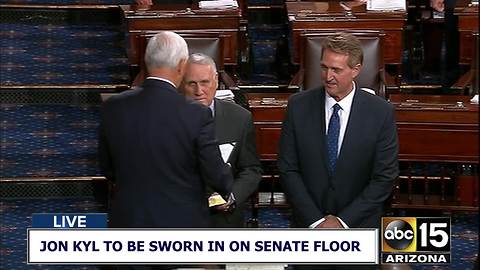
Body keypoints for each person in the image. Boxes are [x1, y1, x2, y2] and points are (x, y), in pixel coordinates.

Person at [98, 31, 233, 229]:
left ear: (146, 61)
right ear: (181, 65)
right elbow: (217, 176)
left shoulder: (114, 106)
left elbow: (107, 168)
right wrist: (226, 178)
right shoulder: (196, 114)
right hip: (182, 229)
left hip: (130, 222)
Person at [278, 32, 398, 234]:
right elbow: (288, 168)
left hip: (359, 226)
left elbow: (384, 177)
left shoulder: (380, 112)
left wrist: (343, 221)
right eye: (324, 67)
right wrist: (315, 221)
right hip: (308, 225)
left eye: (336, 70)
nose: (327, 76)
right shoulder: (298, 106)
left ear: (356, 70)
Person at [179, 53, 262, 228]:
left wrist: (232, 197)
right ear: (181, 84)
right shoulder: (168, 119)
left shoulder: (240, 118)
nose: (199, 91)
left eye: (204, 82)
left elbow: (251, 169)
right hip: (180, 219)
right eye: (191, 83)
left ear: (216, 81)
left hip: (224, 221)